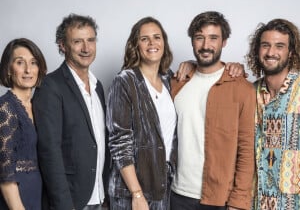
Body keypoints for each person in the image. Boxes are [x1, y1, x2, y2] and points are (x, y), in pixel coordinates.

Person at [170, 11, 256, 210]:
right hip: (177, 194)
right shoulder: (177, 82)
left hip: (220, 200)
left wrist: (239, 201)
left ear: (224, 42)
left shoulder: (242, 88)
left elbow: (246, 149)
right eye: (199, 38)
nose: (206, 45)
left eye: (213, 38)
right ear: (192, 41)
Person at [32, 14, 109, 210]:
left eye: (91, 40)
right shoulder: (50, 87)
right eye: (77, 41)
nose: (86, 48)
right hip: (72, 201)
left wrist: (105, 195)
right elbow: (49, 152)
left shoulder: (97, 85)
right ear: (63, 46)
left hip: (99, 197)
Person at [106, 16, 177, 210]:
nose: (152, 43)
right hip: (131, 191)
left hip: (161, 186)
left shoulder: (169, 79)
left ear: (164, 42)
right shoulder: (125, 81)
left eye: (157, 37)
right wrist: (136, 194)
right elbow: (120, 142)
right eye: (144, 39)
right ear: (135, 45)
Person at [246, 18, 300, 210]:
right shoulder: (248, 93)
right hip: (255, 203)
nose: (271, 52)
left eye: (279, 46)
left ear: (290, 52)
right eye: (265, 45)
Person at [0, 38, 47, 210]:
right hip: (16, 196)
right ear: (9, 69)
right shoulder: (5, 108)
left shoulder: (38, 105)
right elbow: (5, 174)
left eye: (33, 63)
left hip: (37, 191)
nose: (28, 70)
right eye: (20, 63)